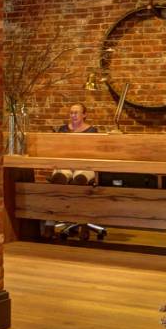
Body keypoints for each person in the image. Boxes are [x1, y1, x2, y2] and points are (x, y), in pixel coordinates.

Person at [48, 103, 107, 241]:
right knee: (59, 177)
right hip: (65, 165)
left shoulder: (92, 131)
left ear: (84, 115)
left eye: (76, 112)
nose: (73, 115)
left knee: (80, 180)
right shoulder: (62, 130)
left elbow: (95, 153)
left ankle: (83, 224)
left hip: (85, 166)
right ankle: (50, 222)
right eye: (71, 113)